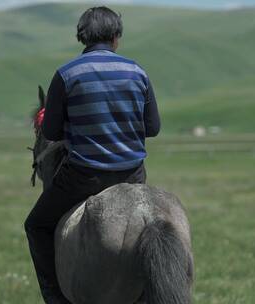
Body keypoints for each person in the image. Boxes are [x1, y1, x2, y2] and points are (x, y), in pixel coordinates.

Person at [24, 6, 161, 304]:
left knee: (35, 225)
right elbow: (153, 128)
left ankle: (55, 299)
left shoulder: (66, 74)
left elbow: (52, 131)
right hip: (134, 177)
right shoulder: (137, 71)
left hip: (84, 177)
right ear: (116, 37)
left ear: (82, 37)